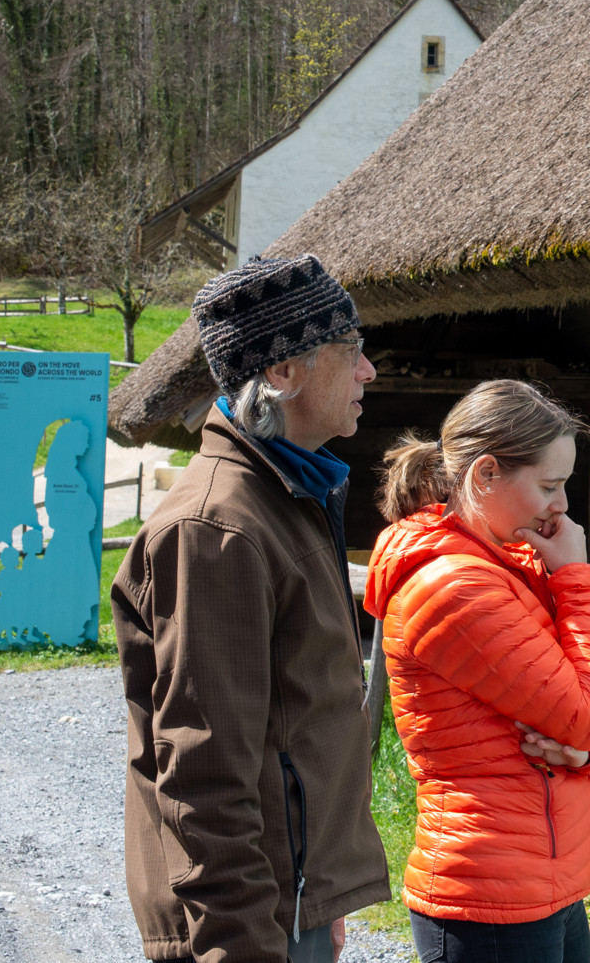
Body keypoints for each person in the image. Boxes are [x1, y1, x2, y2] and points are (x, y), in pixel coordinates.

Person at [113, 255, 390, 963]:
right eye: (350, 349)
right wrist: (242, 944)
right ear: (281, 373)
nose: (370, 372)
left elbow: (295, 718)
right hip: (245, 929)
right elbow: (205, 775)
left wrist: (319, 895)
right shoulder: (217, 530)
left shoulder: (284, 497)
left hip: (286, 903)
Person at [363, 380, 590, 963]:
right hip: (491, 898)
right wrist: (579, 582)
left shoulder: (506, 568)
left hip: (541, 880)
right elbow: (587, 715)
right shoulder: (455, 587)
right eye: (549, 485)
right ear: (485, 475)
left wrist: (586, 754)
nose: (561, 505)